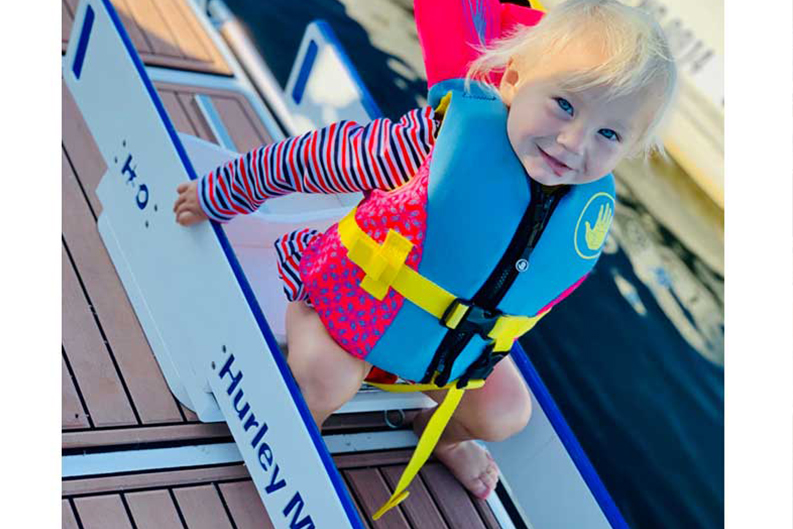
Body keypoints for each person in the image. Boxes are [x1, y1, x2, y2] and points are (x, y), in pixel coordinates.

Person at [173, 0, 676, 511]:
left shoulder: (581, 214)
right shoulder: (437, 142)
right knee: (330, 377)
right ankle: (293, 439)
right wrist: (221, 192)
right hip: (341, 304)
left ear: (627, 151)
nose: (573, 142)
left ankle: (443, 437)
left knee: (506, 414)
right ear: (514, 78)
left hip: (429, 352)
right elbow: (313, 160)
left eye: (608, 134)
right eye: (564, 105)